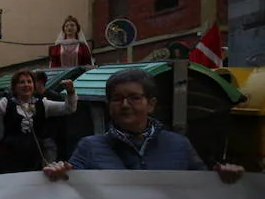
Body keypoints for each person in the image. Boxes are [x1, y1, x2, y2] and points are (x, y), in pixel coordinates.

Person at [43, 68, 244, 183]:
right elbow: (69, 188)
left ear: (151, 104)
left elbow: (204, 192)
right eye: (117, 98)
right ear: (109, 105)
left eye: (134, 98)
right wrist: (58, 174)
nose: (124, 105)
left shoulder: (179, 146)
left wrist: (225, 179)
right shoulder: (88, 147)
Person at [0, 68, 77, 175]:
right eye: (21, 82)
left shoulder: (43, 104)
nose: (26, 85)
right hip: (9, 156)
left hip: (34, 157)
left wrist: (71, 92)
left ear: (34, 85)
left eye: (29, 81)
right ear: (15, 86)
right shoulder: (6, 104)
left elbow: (69, 108)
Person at [34, 70, 65, 164]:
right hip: (38, 138)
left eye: (32, 81)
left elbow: (63, 115)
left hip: (51, 137)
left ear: (40, 82)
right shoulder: (34, 97)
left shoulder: (53, 97)